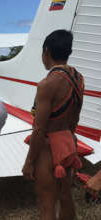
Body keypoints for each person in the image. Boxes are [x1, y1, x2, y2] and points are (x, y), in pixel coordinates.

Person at [22, 30, 84, 220]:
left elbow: (39, 129)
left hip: (48, 149)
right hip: (68, 144)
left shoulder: (47, 84)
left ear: (46, 52)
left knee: (47, 205)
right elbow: (75, 118)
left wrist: (29, 162)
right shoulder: (78, 78)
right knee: (66, 198)